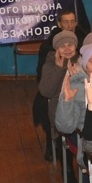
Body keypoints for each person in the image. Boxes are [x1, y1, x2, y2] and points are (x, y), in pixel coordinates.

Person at [38, 29, 78, 159]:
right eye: (62, 46)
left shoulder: (82, 62)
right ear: (57, 50)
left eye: (70, 45)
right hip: (59, 109)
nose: (67, 49)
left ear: (76, 47)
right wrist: (59, 70)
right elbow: (46, 92)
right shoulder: (49, 65)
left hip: (79, 106)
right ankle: (68, 170)